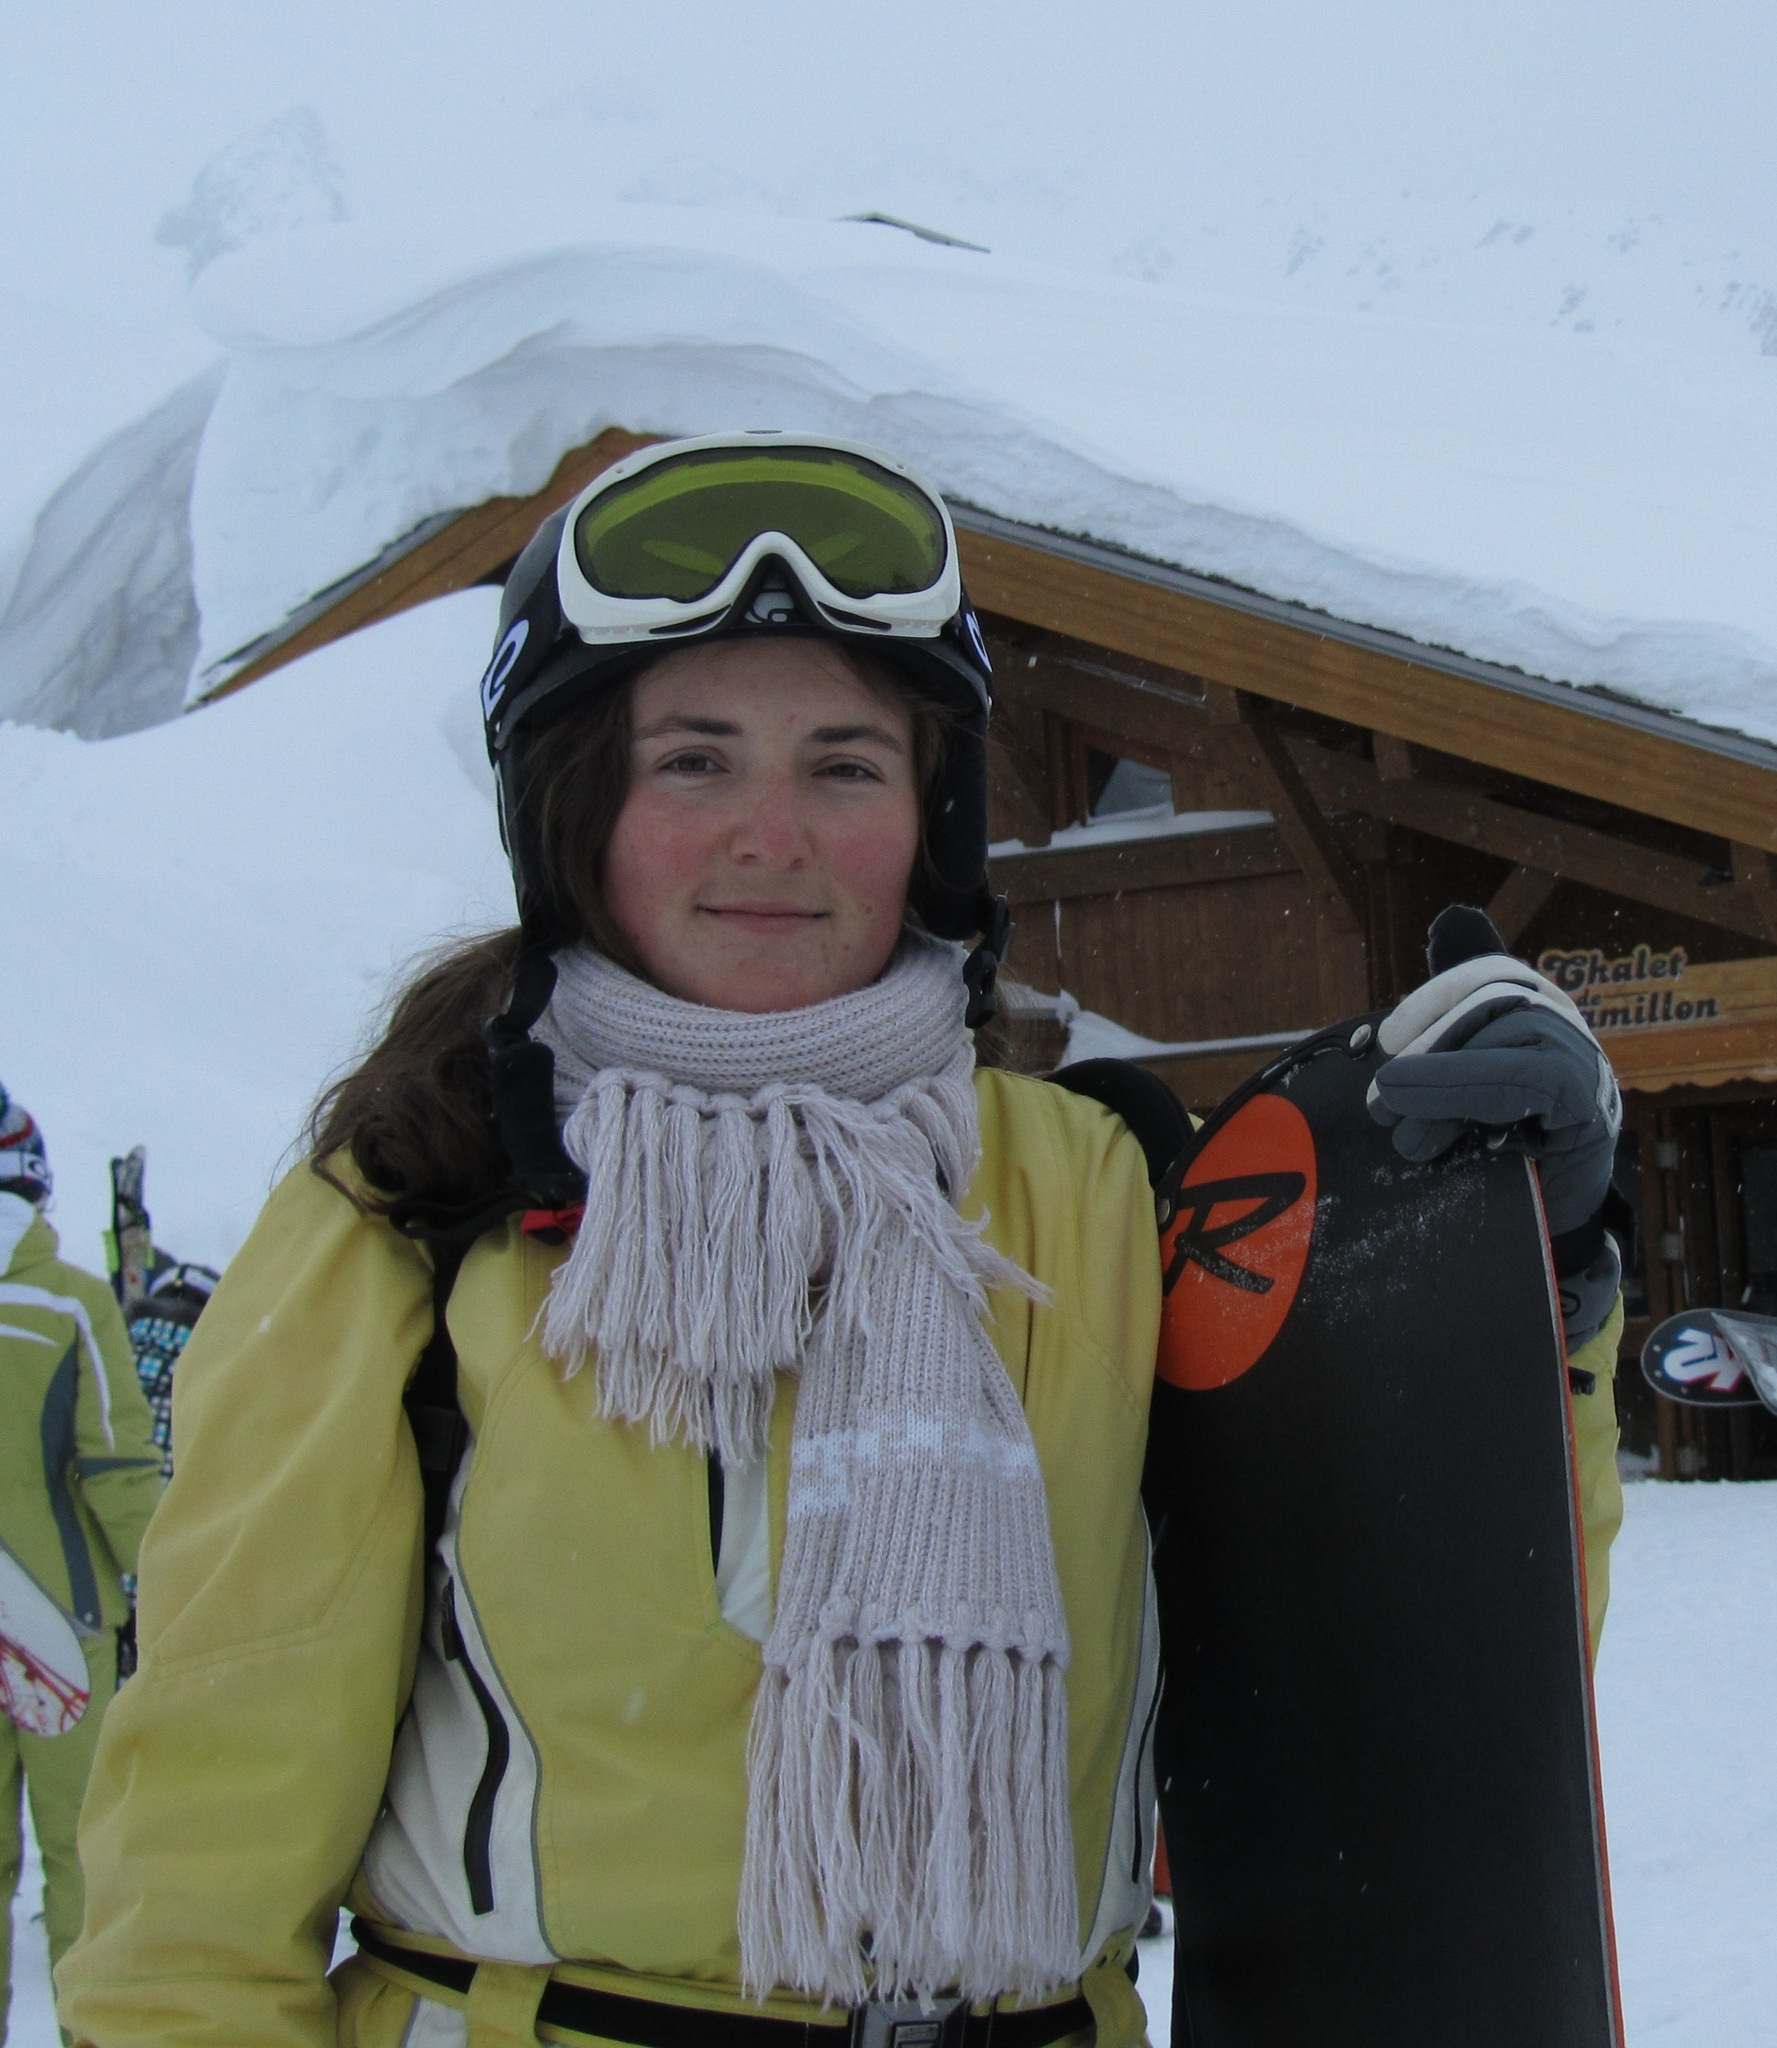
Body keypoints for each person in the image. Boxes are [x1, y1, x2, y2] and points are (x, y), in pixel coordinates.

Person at [58, 434, 1625, 2048]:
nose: (773, 835)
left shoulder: (1107, 1194)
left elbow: (1403, 1663)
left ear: (927, 820)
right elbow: (201, 1858)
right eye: (694, 761)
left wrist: (1515, 1269)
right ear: (574, 807)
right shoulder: (421, 1206)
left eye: (844, 766)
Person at [0, 1089, 161, 2042]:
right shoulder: (68, 1300)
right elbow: (116, 1466)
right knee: (81, 1856)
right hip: (62, 1627)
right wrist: (174, 1588)